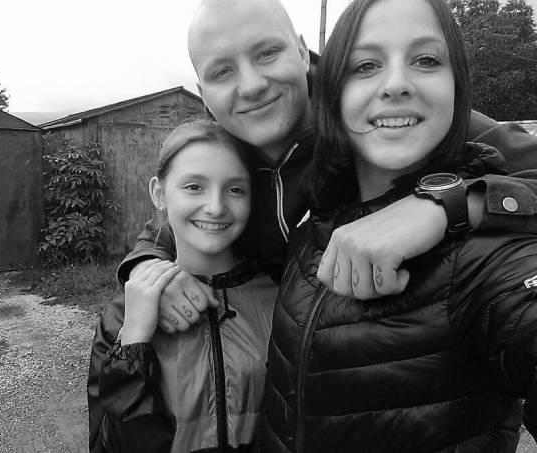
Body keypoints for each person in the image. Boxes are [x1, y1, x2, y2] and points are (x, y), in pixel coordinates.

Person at [117, 0, 537, 338]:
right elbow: (167, 221)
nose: (252, 85)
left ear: (302, 51)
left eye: (267, 53)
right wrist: (147, 268)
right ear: (203, 92)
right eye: (222, 71)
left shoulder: (376, 117)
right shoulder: (222, 153)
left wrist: (443, 205)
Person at [258, 0, 537, 451]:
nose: (396, 84)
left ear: (456, 86)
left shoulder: (486, 254)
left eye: (426, 60)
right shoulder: (312, 229)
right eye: (366, 65)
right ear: (333, 94)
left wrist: (452, 205)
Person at [88, 119, 278, 452]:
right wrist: (133, 342)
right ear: (159, 194)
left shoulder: (281, 300)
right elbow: (108, 444)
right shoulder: (123, 315)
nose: (216, 207)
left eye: (235, 189)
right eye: (194, 187)